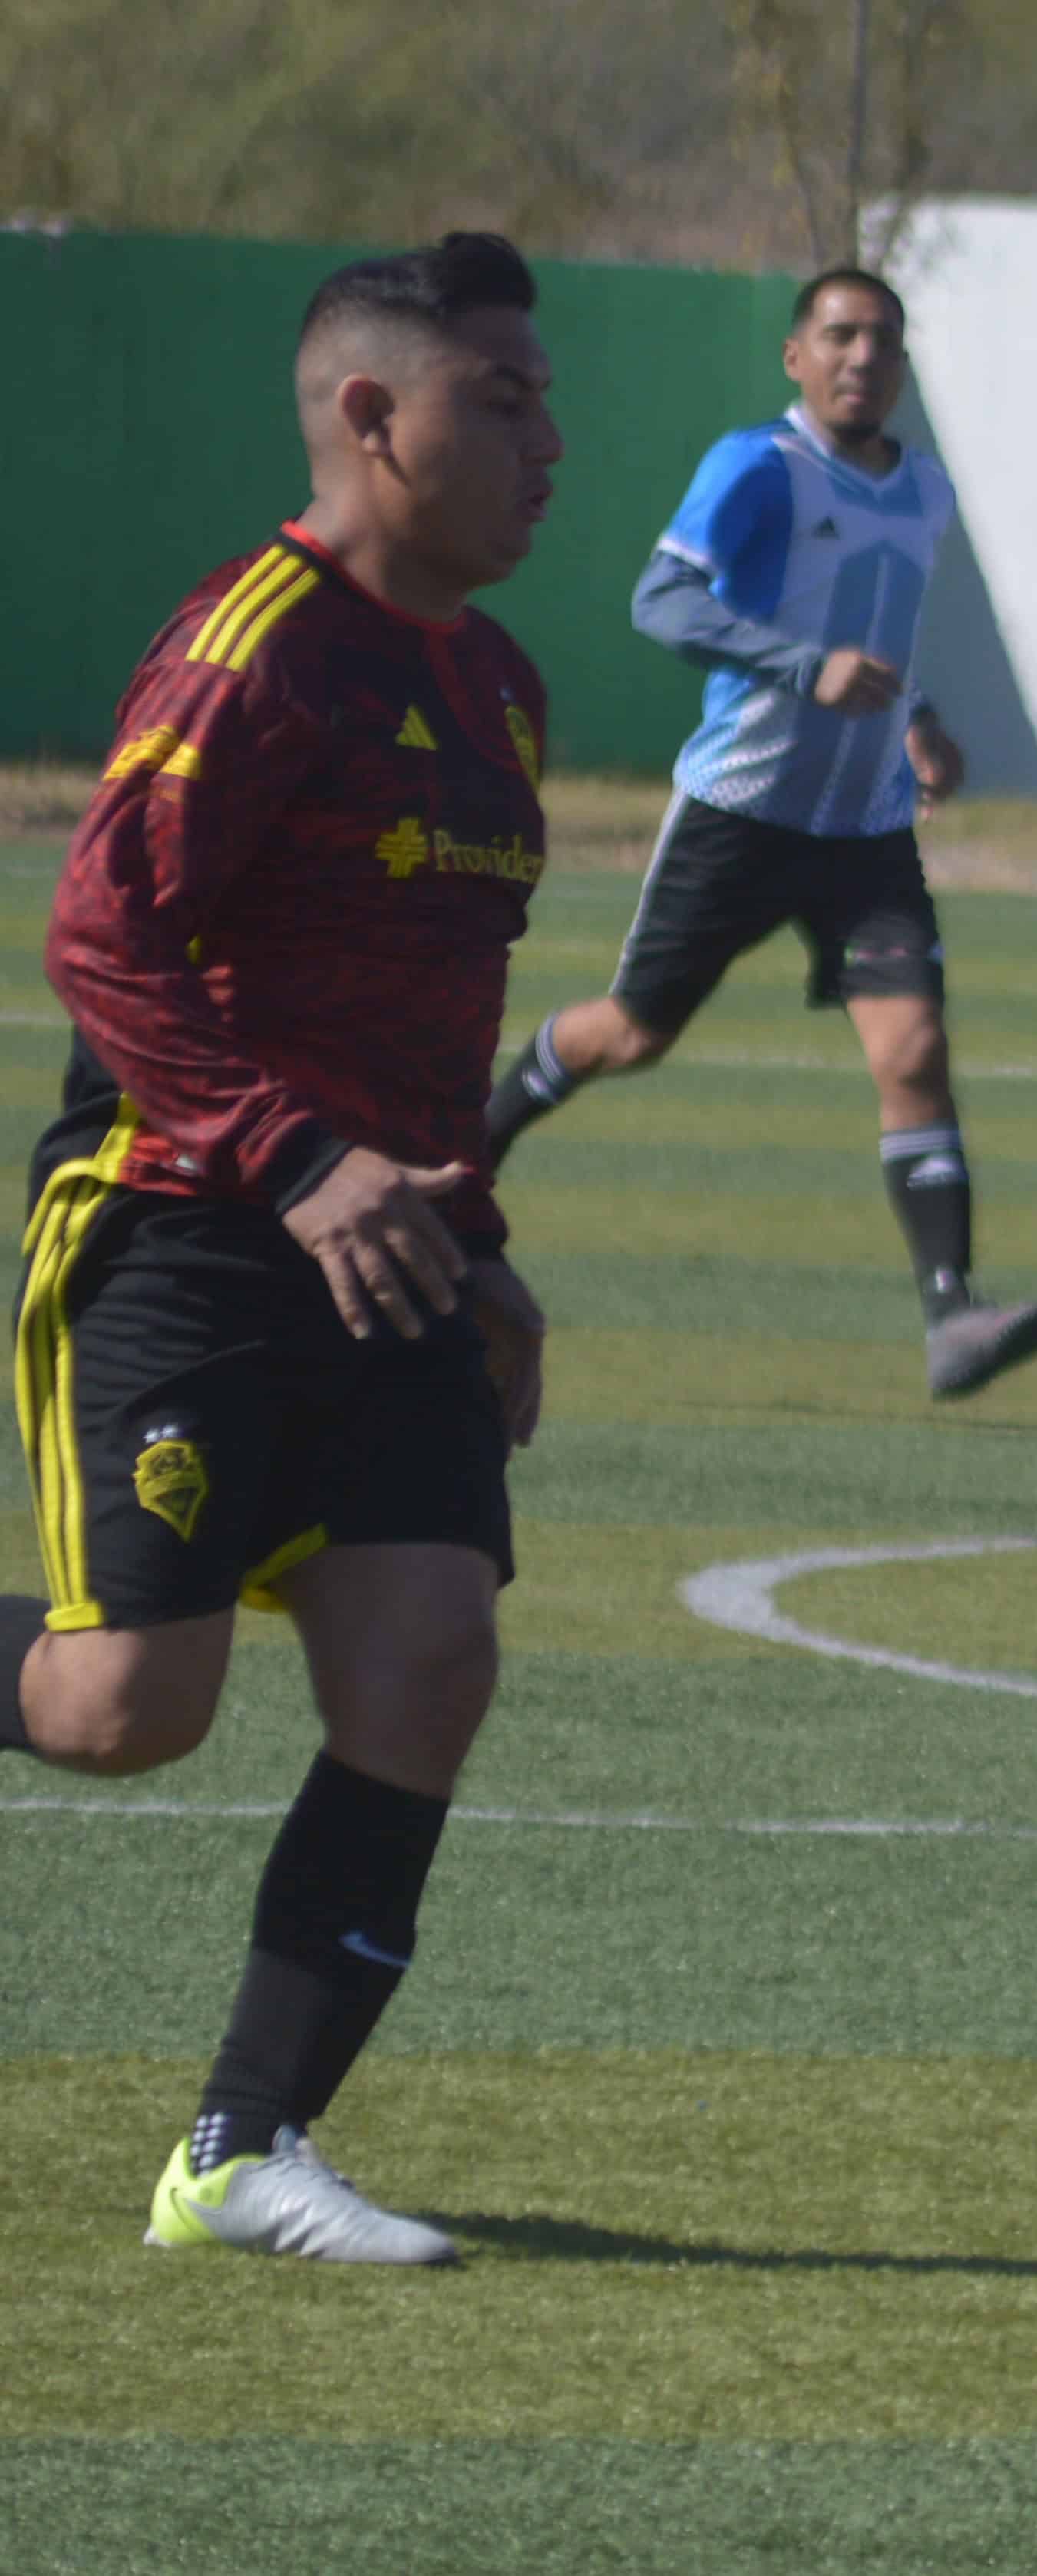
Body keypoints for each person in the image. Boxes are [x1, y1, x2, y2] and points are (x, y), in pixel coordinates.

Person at [0, 233, 563, 2263]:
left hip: (385, 1240)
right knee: (122, 1708)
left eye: (545, 398)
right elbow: (102, 936)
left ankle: (243, 2147)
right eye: (501, 401)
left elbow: (425, 1019)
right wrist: (300, 1160)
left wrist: (470, 1240)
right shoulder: (257, 646)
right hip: (187, 1222)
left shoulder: (495, 684)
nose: (547, 442)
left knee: (426, 1663)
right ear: (369, 416)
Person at [481, 266, 1037, 1401]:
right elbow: (663, 599)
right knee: (633, 1036)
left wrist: (921, 722)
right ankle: (468, 1149)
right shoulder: (761, 468)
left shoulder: (925, 490)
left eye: (883, 340)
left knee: (915, 1052)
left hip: (868, 829)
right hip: (740, 815)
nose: (861, 358)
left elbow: (883, 636)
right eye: (839, 336)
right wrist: (805, 669)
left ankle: (952, 1316)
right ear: (797, 356)